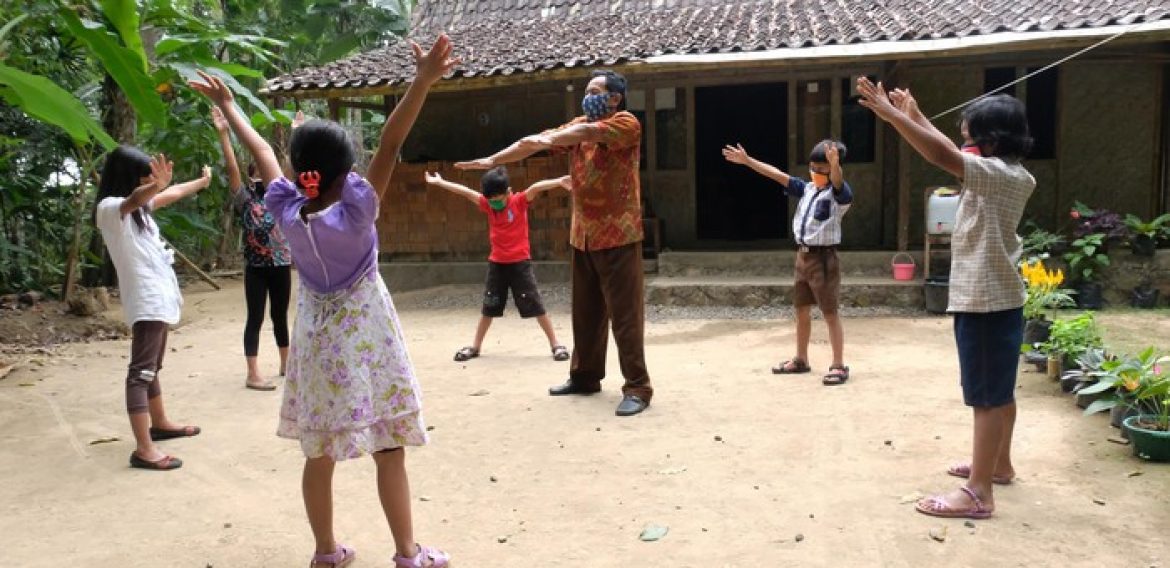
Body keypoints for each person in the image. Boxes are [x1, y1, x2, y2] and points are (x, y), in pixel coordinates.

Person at [191, 34, 457, 567]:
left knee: (319, 453)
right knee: (389, 447)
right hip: (368, 338)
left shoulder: (289, 210)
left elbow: (263, 152)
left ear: (301, 172)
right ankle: (408, 553)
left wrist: (228, 107)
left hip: (317, 342)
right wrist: (423, 81)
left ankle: (325, 552)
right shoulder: (357, 213)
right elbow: (390, 142)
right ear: (346, 174)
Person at [857, 79, 1035, 520]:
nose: (963, 145)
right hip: (996, 298)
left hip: (986, 302)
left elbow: (943, 156)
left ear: (991, 142)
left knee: (986, 398)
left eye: (969, 137)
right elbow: (951, 151)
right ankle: (998, 466)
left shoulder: (998, 175)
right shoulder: (1006, 171)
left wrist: (894, 117)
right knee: (1000, 391)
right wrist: (915, 115)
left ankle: (978, 493)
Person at [455, 69, 653, 417]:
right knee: (585, 312)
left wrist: (556, 138)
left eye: (594, 91)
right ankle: (585, 377)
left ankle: (637, 386)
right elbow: (532, 141)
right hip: (583, 235)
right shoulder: (576, 125)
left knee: (625, 316)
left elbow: (588, 132)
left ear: (614, 98)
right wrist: (493, 160)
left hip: (619, 235)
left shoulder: (626, 123)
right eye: (586, 90)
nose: (587, 96)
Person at [94, 147, 211, 471]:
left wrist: (201, 182)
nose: (150, 183)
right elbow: (136, 198)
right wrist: (155, 186)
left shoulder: (140, 212)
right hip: (146, 302)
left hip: (158, 299)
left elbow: (170, 193)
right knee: (141, 373)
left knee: (152, 368)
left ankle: (159, 424)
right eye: (145, 177)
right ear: (129, 178)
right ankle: (144, 449)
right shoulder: (109, 209)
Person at [722, 140, 854, 386]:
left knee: (830, 312)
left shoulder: (839, 196)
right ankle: (801, 358)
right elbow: (777, 175)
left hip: (824, 258)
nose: (816, 173)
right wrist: (748, 161)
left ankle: (838, 365)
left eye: (821, 169)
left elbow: (837, 181)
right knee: (801, 309)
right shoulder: (806, 189)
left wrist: (835, 165)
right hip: (803, 257)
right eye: (813, 168)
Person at [424, 167, 572, 362]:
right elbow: (465, 192)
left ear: (508, 192)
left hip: (520, 265)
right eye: (490, 199)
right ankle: (475, 347)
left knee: (536, 305)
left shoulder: (518, 202)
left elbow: (535, 188)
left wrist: (559, 181)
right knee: (489, 307)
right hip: (497, 265)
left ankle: (556, 344)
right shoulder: (488, 205)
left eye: (498, 199)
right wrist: (440, 182)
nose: (494, 203)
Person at [212, 106, 292, 391]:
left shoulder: (281, 196)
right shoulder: (245, 198)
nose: (262, 171)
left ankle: (286, 364)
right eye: (256, 168)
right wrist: (224, 134)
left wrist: (295, 132)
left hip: (281, 263)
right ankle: (253, 372)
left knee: (280, 315)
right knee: (255, 317)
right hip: (256, 268)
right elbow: (232, 168)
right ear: (250, 175)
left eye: (264, 167)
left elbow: (288, 170)